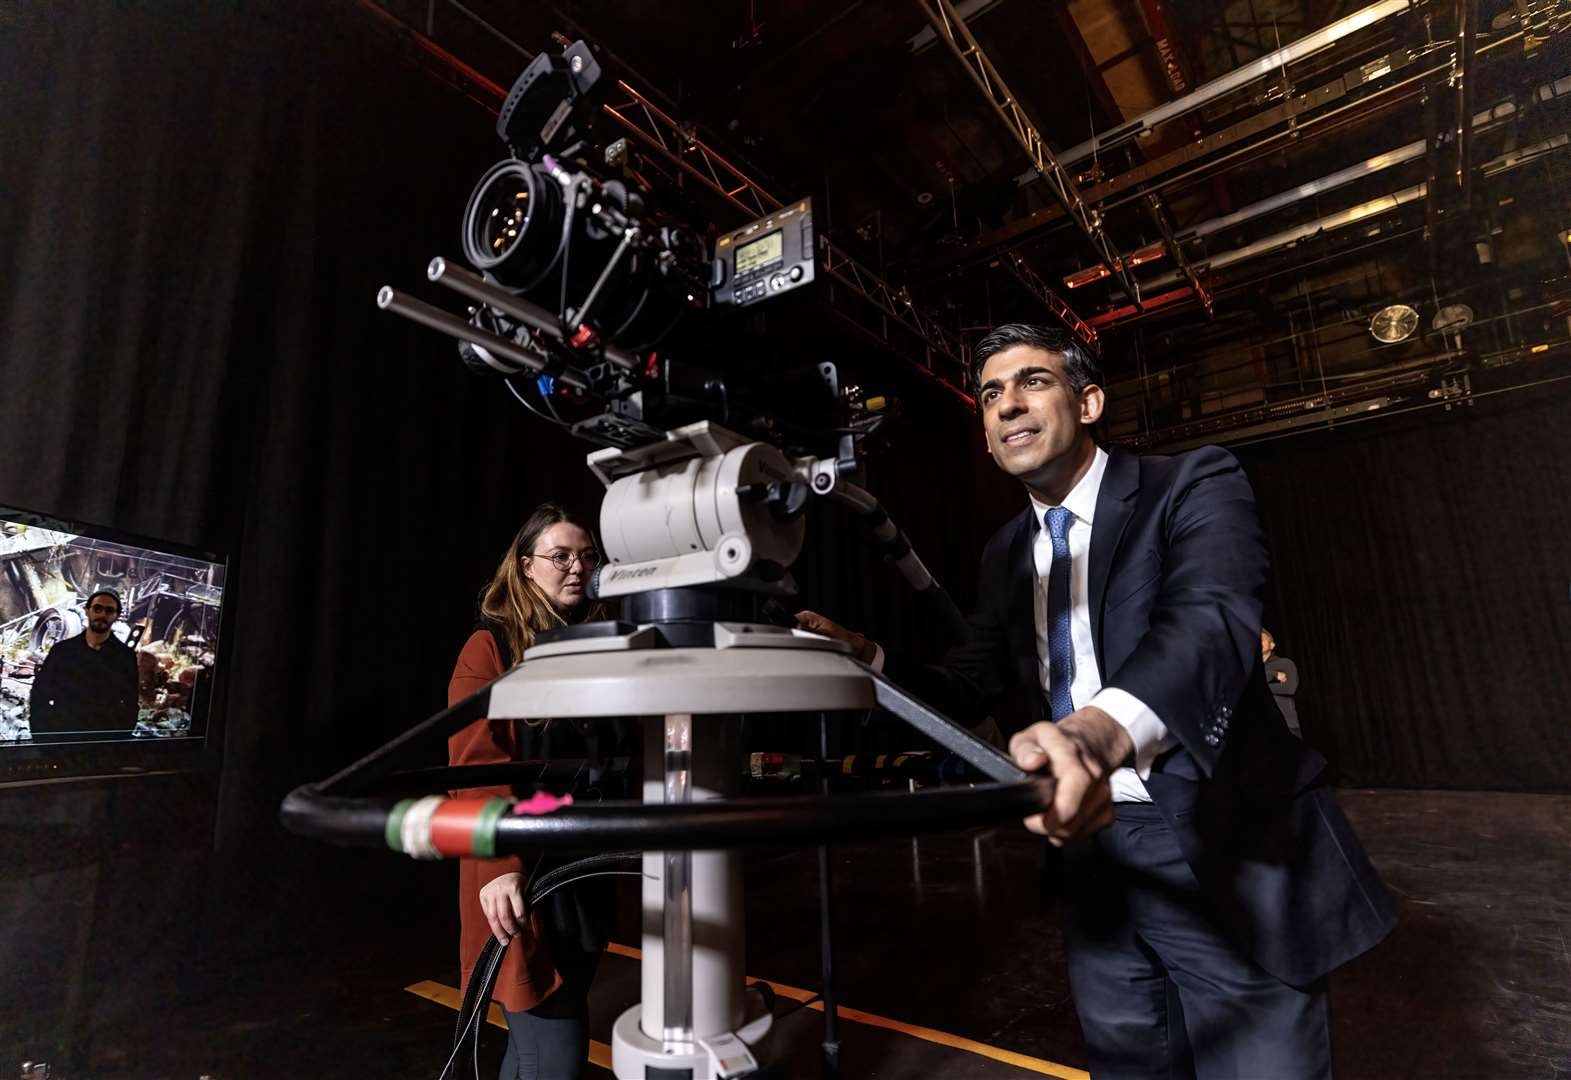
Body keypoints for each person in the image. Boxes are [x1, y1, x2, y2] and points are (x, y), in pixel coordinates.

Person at [798, 324, 1395, 1079]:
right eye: (989, 395)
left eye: (1031, 382)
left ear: (1088, 401)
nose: (1007, 404)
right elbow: (966, 682)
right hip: (1095, 860)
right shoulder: (1003, 553)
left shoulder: (1190, 484)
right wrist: (869, 658)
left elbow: (1207, 623)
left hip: (1223, 845)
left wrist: (1095, 733)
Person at [448, 503, 626, 1080]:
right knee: (554, 1048)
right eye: (560, 556)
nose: (577, 567)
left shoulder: (591, 644)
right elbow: (474, 767)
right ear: (526, 566)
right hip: (518, 874)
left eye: (586, 556)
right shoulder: (491, 646)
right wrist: (500, 863)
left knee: (532, 1050)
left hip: (580, 874)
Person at [28, 590, 139, 736]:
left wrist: (118, 742)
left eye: (109, 610)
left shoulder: (125, 657)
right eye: (97, 608)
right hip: (64, 741)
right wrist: (42, 739)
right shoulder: (62, 652)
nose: (102, 615)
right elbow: (39, 695)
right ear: (87, 611)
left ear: (116, 616)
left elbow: (130, 704)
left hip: (103, 745)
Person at [1262, 628, 1302, 737]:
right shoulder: (1254, 670)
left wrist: (1262, 688)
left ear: (1272, 645)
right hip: (1263, 727)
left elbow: (1290, 688)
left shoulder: (1284, 663)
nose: (1259, 642)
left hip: (1287, 725)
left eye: (1263, 639)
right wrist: (1273, 675)